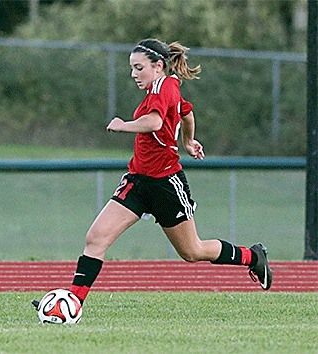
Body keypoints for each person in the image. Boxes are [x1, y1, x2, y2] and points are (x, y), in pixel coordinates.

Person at [35, 39, 272, 312]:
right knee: (96, 238)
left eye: (139, 68)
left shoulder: (163, 86)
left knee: (192, 251)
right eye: (132, 68)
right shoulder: (165, 87)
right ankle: (73, 302)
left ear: (158, 66)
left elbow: (155, 122)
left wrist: (124, 125)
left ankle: (252, 257)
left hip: (165, 184)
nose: (134, 74)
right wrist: (188, 141)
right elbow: (187, 113)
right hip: (138, 181)